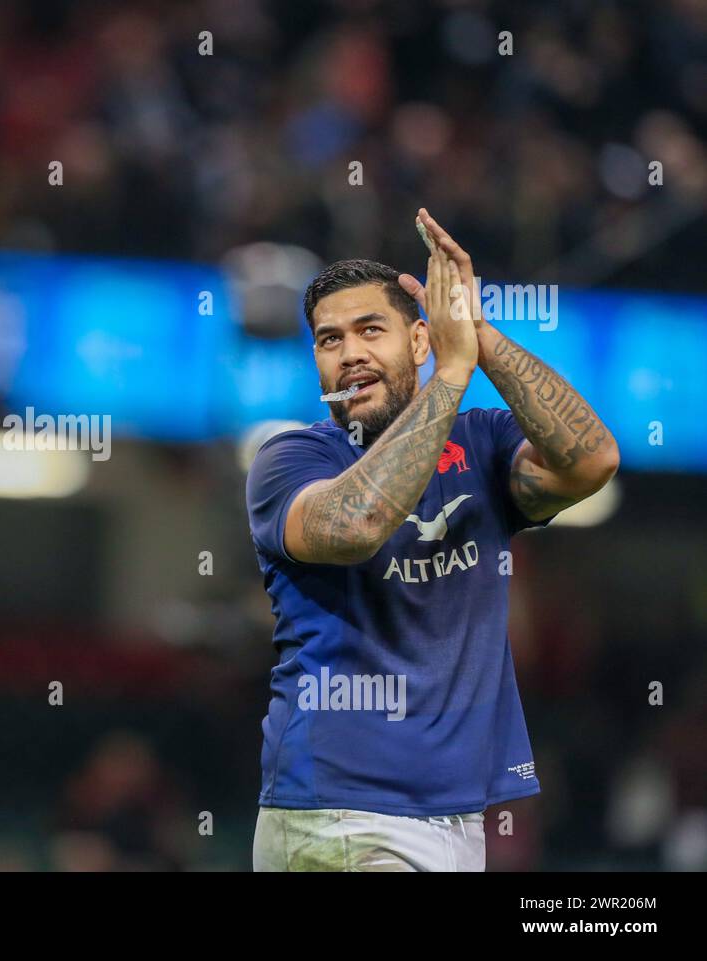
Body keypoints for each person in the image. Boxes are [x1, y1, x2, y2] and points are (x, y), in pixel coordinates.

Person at [245, 210, 619, 871]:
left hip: (456, 819)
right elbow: (359, 524)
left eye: (370, 330)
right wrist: (449, 373)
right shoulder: (291, 461)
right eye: (330, 339)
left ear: (420, 339)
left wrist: (478, 337)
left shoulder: (481, 441)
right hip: (339, 817)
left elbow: (591, 461)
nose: (350, 351)